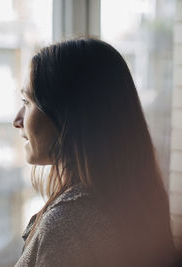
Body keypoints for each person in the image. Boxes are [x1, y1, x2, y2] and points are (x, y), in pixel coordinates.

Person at [12, 38, 179, 267]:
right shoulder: (133, 201)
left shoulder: (66, 227)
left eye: (27, 102)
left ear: (67, 115)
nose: (17, 120)